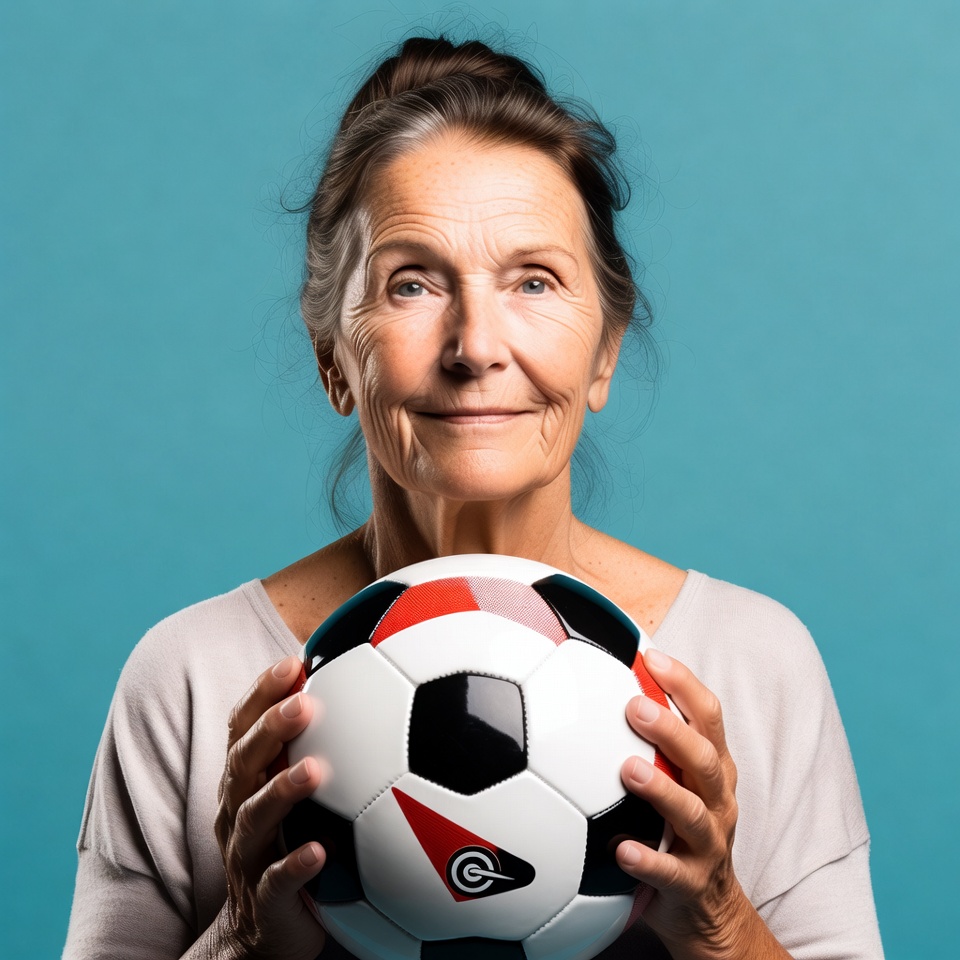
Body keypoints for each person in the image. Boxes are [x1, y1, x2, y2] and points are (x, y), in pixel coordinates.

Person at [63, 36, 884, 960]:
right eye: (411, 283)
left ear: (605, 350)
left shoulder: (748, 666)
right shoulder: (194, 677)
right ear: (334, 356)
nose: (476, 346)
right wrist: (245, 942)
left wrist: (721, 925)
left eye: (535, 281)